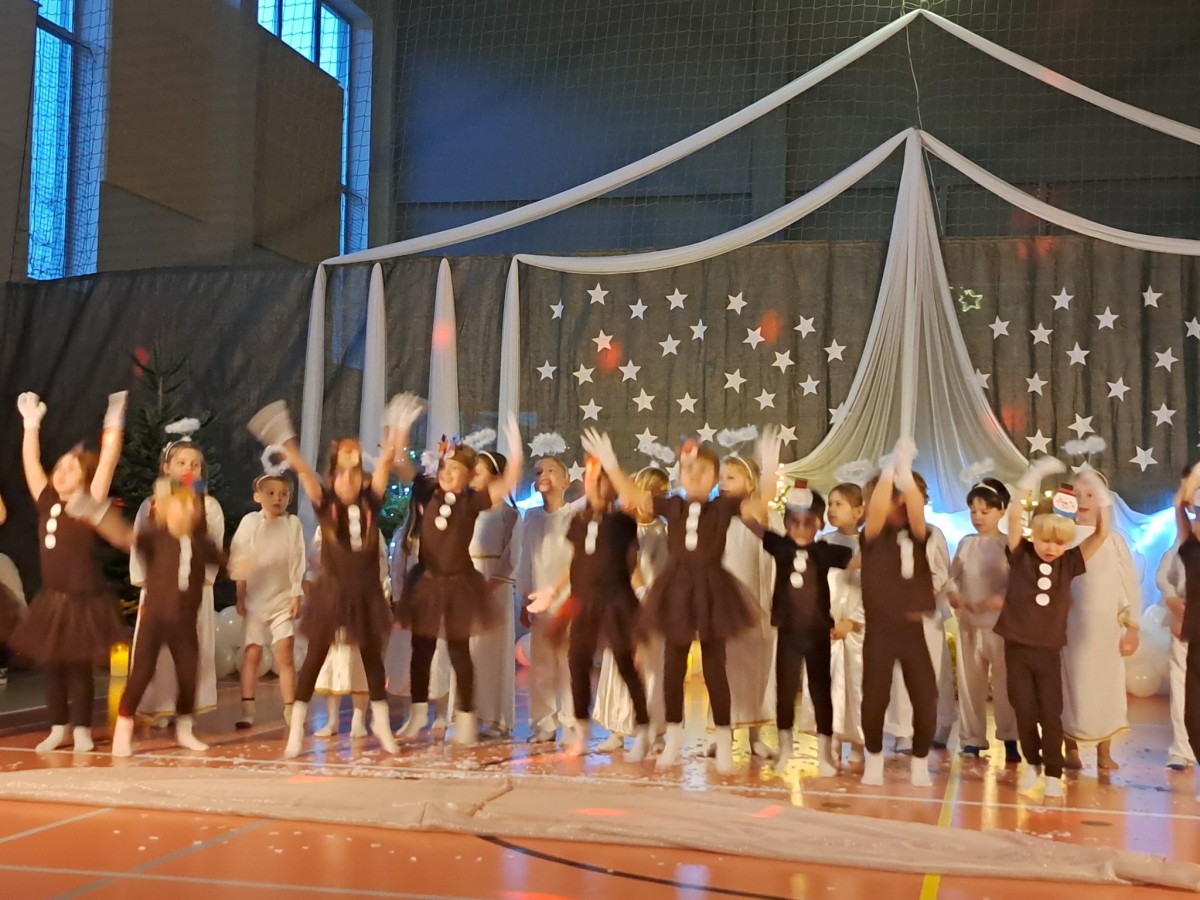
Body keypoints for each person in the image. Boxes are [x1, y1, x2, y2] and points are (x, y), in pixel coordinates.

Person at [581, 427, 768, 774]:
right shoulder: (673, 505)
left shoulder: (723, 506)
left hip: (712, 588)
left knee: (715, 666)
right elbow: (632, 494)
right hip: (677, 589)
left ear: (714, 477)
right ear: (680, 474)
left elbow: (759, 504)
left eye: (703, 471)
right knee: (673, 665)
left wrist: (767, 469)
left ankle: (724, 739)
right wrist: (610, 461)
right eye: (688, 470)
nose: (694, 476)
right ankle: (674, 738)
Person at [248, 394, 420, 758]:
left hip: (366, 596)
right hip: (333, 595)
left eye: (355, 474)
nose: (348, 480)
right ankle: (296, 730)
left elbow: (386, 461)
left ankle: (380, 724)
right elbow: (302, 470)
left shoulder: (371, 502)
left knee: (371, 659)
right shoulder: (325, 504)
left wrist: (395, 430)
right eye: (342, 474)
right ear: (332, 477)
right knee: (314, 659)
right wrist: (284, 440)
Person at [10, 391, 127, 753]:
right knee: (55, 668)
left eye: (71, 468)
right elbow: (31, 461)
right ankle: (59, 727)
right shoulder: (46, 500)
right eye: (58, 467)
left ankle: (81, 730)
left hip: (83, 602)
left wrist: (114, 421)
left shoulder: (88, 502)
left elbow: (108, 460)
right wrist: (31, 425)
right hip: (53, 601)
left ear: (84, 477)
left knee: (78, 668)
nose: (61, 472)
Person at [396, 417, 524, 747]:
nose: (448, 474)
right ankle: (418, 713)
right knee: (421, 650)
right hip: (427, 582)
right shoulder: (428, 491)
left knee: (458, 651)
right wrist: (401, 432)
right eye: (445, 468)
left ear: (468, 476)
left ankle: (466, 717)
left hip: (458, 585)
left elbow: (507, 482)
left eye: (456, 470)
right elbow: (403, 467)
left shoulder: (471, 500)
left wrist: (516, 450)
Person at [997, 461, 1109, 799]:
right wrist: (1032, 478)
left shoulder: (1069, 563)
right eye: (1045, 540)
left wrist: (1101, 496)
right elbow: (1015, 516)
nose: (1050, 548)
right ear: (1035, 535)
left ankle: (1052, 772)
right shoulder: (1021, 555)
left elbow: (1101, 534)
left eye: (1058, 543)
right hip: (1017, 648)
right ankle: (1032, 765)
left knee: (1051, 713)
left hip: (1048, 651)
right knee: (1024, 710)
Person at [529, 458, 650, 760]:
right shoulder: (578, 521)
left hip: (616, 601)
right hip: (583, 602)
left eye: (601, 480)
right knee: (577, 661)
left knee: (625, 664)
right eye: (590, 479)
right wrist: (553, 590)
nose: (594, 485)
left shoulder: (622, 522)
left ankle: (644, 729)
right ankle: (581, 732)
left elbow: (631, 562)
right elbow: (577, 562)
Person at [92, 476, 223, 757]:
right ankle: (124, 729)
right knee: (140, 674)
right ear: (165, 509)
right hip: (154, 621)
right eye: (182, 505)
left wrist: (244, 565)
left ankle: (185, 728)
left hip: (185, 624)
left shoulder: (202, 543)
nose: (189, 510)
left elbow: (225, 565)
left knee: (188, 676)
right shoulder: (154, 537)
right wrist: (98, 513)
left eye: (193, 506)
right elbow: (123, 536)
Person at [746, 486, 852, 773]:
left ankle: (825, 755)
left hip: (818, 634)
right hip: (788, 633)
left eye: (808, 522)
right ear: (785, 523)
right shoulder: (781, 547)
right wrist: (763, 486)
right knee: (785, 691)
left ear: (819, 523)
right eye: (794, 522)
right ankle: (785, 749)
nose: (801, 529)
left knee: (821, 692)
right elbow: (750, 521)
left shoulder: (824, 552)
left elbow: (858, 560)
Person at [129, 428, 224, 724]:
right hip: (159, 594)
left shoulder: (209, 506)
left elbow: (214, 546)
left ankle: (184, 712)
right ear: (167, 467)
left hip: (192, 593)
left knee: (187, 655)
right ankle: (161, 707)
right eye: (182, 463)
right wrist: (147, 582)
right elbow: (139, 544)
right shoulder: (151, 506)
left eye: (195, 464)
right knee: (156, 656)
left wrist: (203, 580)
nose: (188, 469)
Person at [858, 437, 938, 787]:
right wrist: (890, 470)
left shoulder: (919, 534)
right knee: (875, 696)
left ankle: (920, 760)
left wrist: (906, 476)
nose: (902, 503)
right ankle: (874, 757)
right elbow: (877, 508)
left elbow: (917, 511)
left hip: (911, 630)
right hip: (880, 629)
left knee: (926, 696)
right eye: (897, 498)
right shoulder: (872, 536)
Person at [1061, 471, 1140, 771]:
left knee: (1106, 686)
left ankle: (1104, 751)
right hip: (1069, 628)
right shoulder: (1063, 535)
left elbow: (1128, 584)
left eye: (1091, 494)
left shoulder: (1115, 541)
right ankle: (1070, 748)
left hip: (1105, 630)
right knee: (1069, 686)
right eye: (1077, 494)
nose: (1083, 500)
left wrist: (1132, 627)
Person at [594, 466, 670, 752]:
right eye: (652, 493)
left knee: (653, 667)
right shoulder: (625, 527)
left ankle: (655, 730)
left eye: (663, 494)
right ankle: (617, 729)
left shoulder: (665, 530)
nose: (657, 499)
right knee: (621, 663)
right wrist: (641, 594)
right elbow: (629, 565)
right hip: (629, 601)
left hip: (657, 605)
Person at [948, 478, 1019, 761]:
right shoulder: (966, 544)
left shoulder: (1008, 544)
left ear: (1001, 511)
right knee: (970, 683)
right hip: (969, 624)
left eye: (985, 511)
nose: (978, 517)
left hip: (1001, 627)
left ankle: (1010, 737)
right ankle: (972, 739)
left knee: (1005, 683)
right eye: (973, 511)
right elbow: (952, 578)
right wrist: (955, 595)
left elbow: (1019, 582)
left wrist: (1002, 599)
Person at [229, 474, 305, 728]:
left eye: (283, 494)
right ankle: (247, 711)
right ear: (257, 496)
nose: (277, 499)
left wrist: (296, 593)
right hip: (255, 600)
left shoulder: (292, 524)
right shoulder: (250, 523)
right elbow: (239, 559)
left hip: (282, 599)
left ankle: (290, 710)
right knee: (252, 653)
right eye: (271, 493)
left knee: (285, 653)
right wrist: (240, 595)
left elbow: (297, 560)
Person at [513, 455, 576, 744]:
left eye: (551, 470)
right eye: (539, 471)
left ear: (566, 482)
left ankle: (571, 723)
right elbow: (526, 559)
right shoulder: (532, 517)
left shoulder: (574, 516)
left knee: (568, 664)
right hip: (539, 602)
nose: (544, 475)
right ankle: (544, 722)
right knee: (542, 665)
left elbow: (578, 560)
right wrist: (525, 597)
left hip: (569, 601)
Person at [718, 453, 778, 759]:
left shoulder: (764, 515)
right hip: (725, 605)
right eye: (721, 478)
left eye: (731, 477)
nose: (723, 483)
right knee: (724, 669)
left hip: (758, 603)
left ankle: (755, 736)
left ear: (751, 483)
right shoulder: (717, 517)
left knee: (757, 668)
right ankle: (723, 734)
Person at [467, 450, 519, 737]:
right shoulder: (468, 509)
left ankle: (499, 718)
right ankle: (469, 713)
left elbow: (513, 555)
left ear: (496, 476)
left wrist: (490, 586)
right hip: (469, 583)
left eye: (478, 472)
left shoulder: (509, 514)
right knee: (470, 652)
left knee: (494, 653)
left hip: (494, 587)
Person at [824, 483, 865, 764]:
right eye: (830, 504)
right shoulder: (824, 542)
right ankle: (832, 740)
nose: (832, 509)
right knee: (830, 684)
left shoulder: (867, 545)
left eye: (839, 504)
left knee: (857, 684)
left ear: (859, 511)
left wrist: (854, 621)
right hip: (829, 628)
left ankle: (861, 741)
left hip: (857, 628)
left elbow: (872, 589)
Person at [1170, 465, 1200, 800]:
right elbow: (1181, 504)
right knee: (1193, 718)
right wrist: (1197, 473)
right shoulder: (1192, 552)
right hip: (1196, 644)